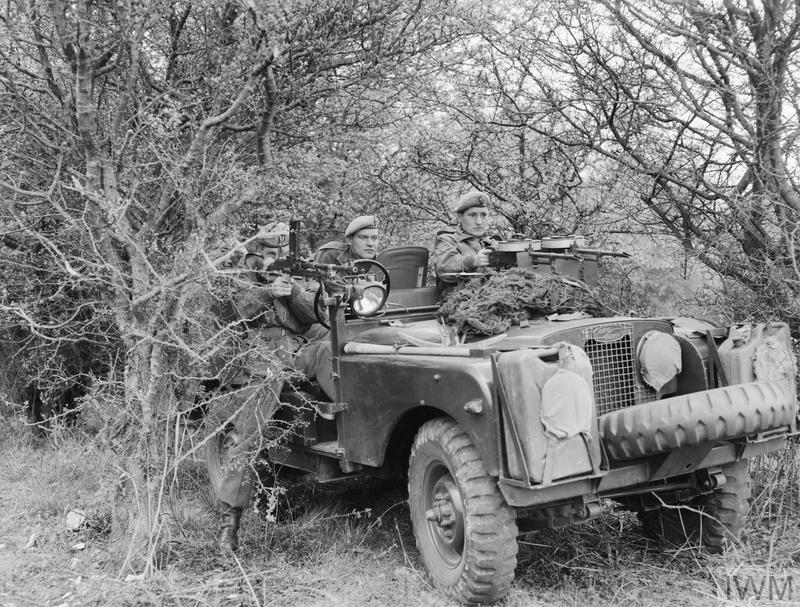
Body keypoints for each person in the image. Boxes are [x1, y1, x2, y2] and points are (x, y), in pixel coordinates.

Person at [207, 222, 333, 553]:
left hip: (300, 352)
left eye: (281, 253)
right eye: (269, 253)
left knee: (334, 348)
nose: (275, 259)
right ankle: (229, 521)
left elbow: (316, 314)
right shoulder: (244, 273)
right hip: (263, 360)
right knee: (249, 434)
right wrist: (267, 291)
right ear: (257, 254)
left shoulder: (296, 273)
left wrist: (292, 291)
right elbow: (238, 310)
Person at [432, 190, 496, 292]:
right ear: (460, 217)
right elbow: (445, 267)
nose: (479, 222)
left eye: (483, 215)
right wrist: (473, 261)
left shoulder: (493, 244)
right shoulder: (447, 240)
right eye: (472, 215)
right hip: (459, 302)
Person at [314, 215, 380, 264]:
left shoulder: (382, 261)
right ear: (350, 240)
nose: (370, 244)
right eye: (363, 237)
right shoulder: (331, 253)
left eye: (374, 238)